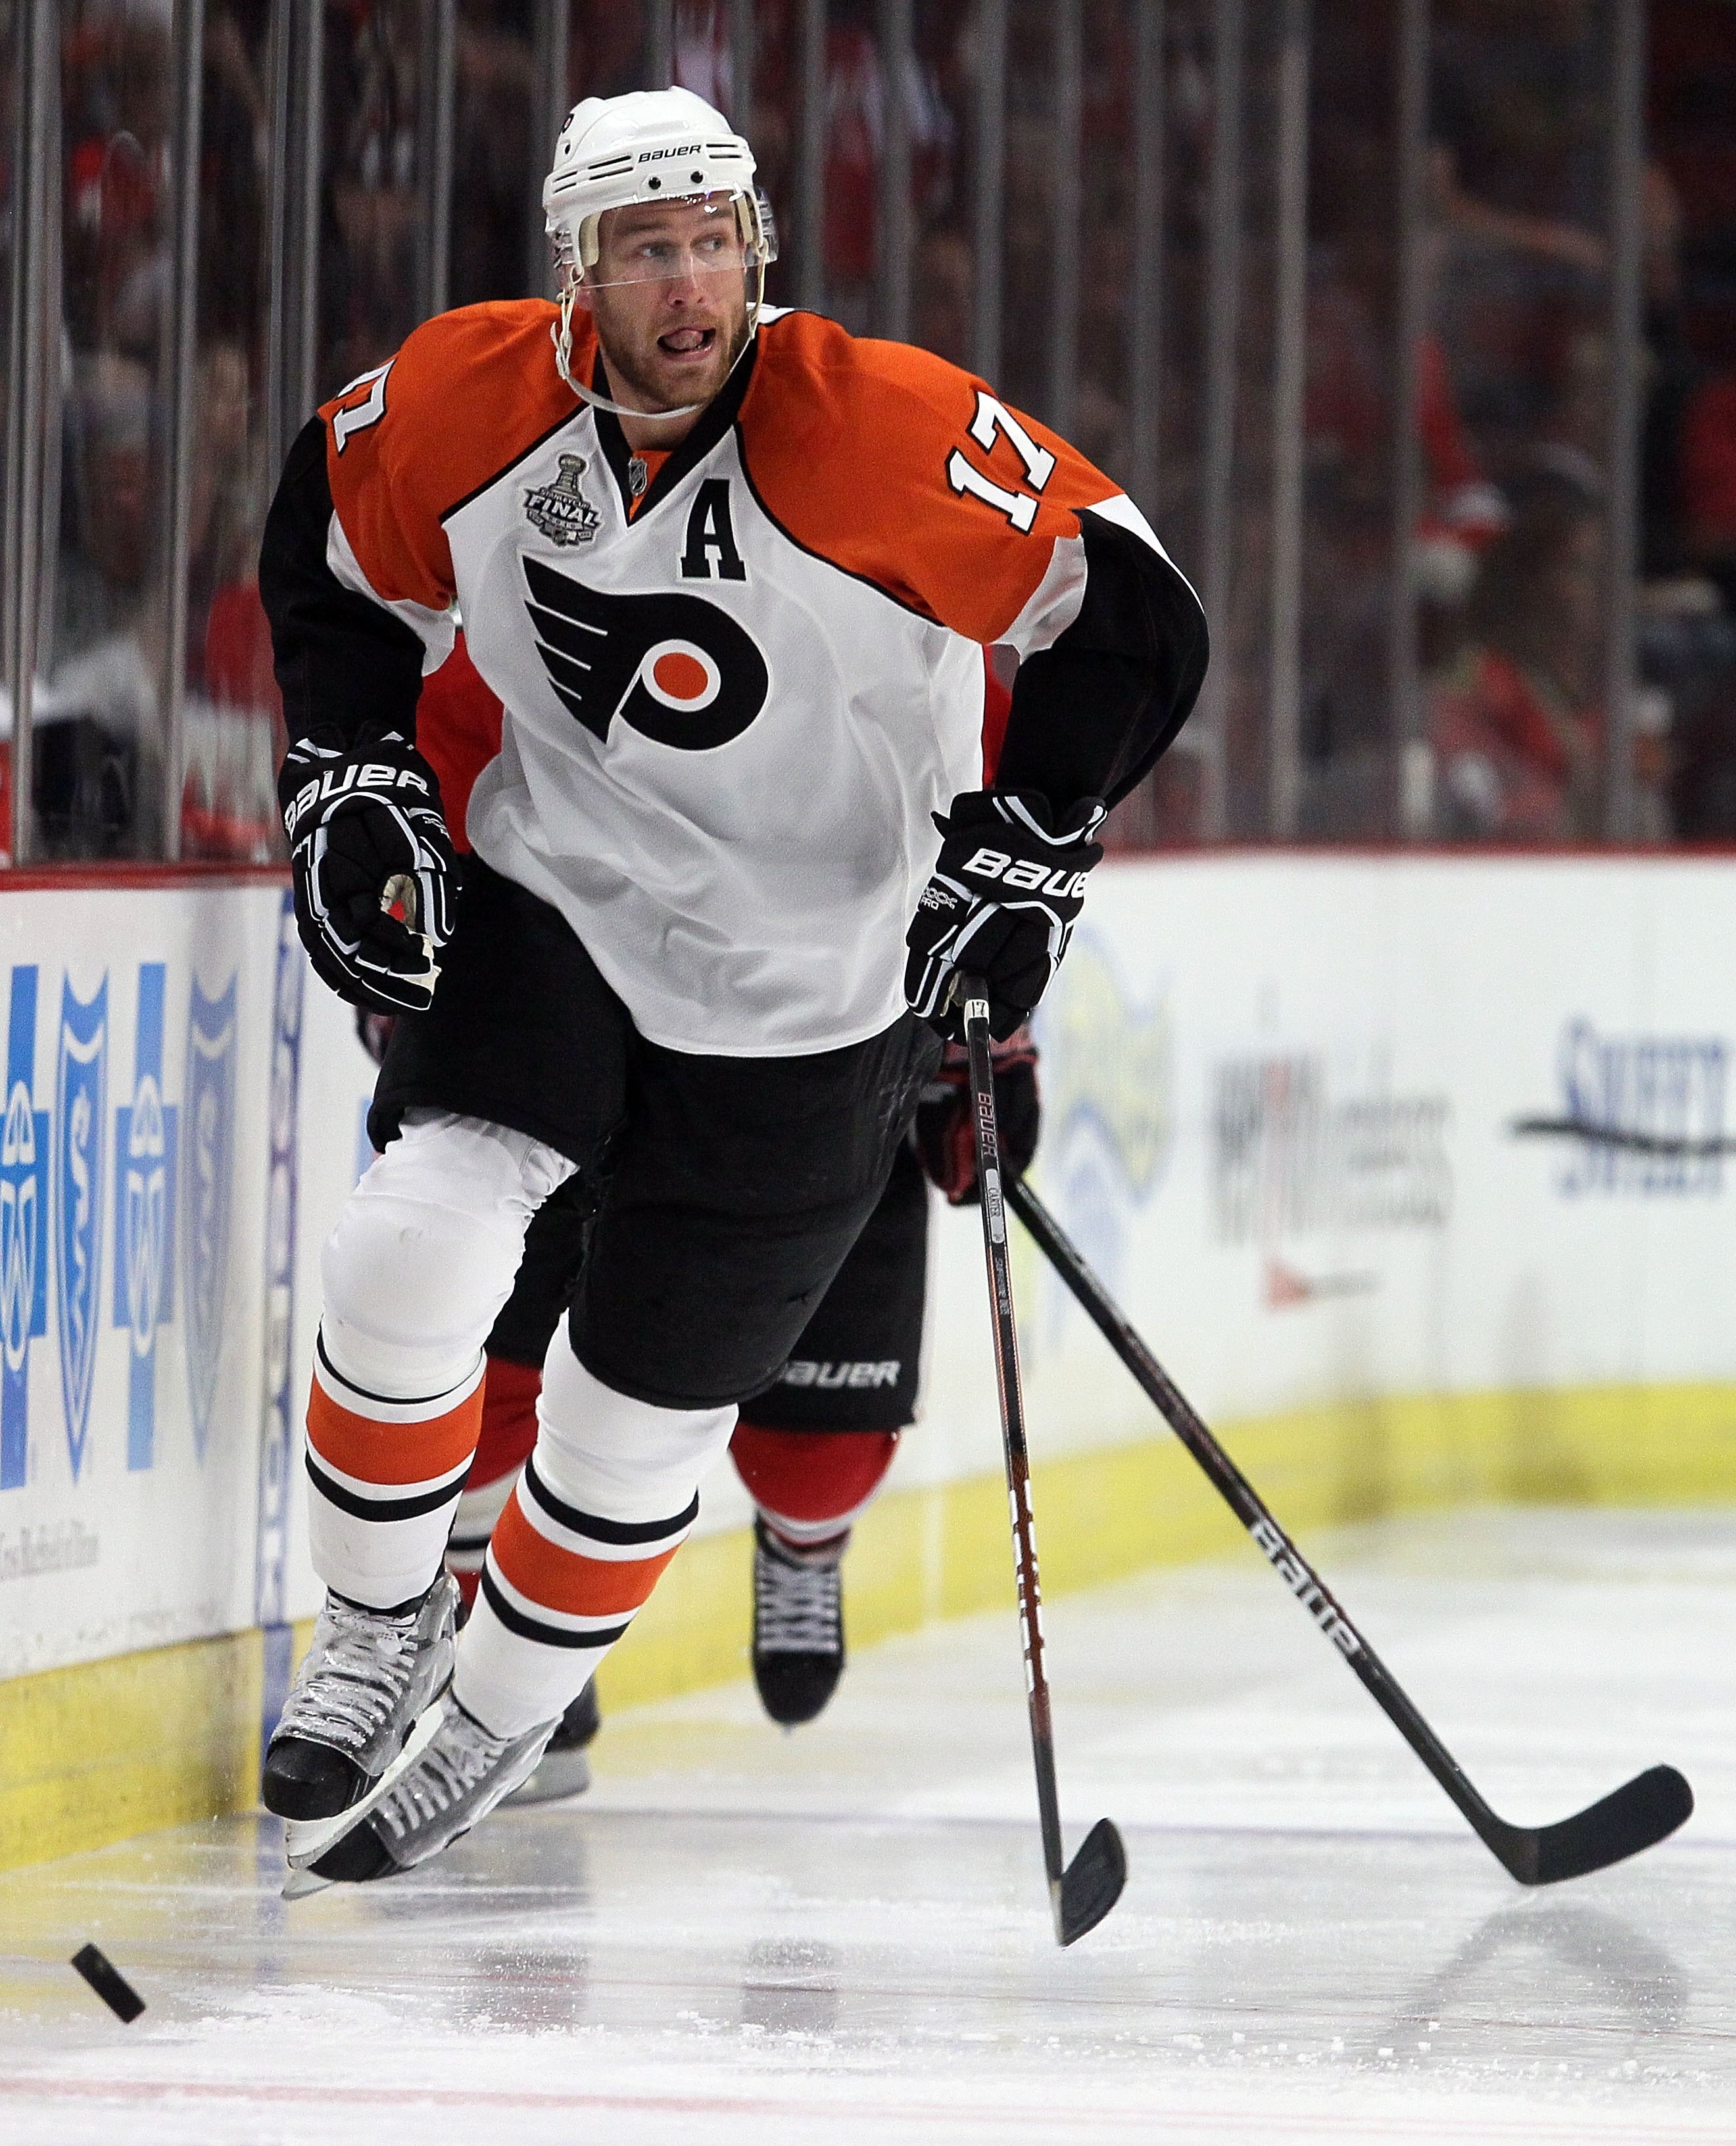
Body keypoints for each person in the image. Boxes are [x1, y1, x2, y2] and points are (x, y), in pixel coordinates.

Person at [258, 84, 1206, 1887]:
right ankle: (375, 1632)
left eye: (714, 241)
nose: (688, 283)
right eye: (646, 248)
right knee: (417, 1236)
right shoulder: (471, 400)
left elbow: (1132, 603)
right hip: (559, 890)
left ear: (757, 250)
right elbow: (332, 546)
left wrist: (1033, 838)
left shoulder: (878, 425)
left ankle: (502, 1714)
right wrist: (348, 758)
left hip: (819, 973)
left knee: (640, 1417)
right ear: (578, 271)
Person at [369, 643, 1042, 1803]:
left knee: (816, 1460)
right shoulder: (554, 560)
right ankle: (500, 1640)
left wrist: (985, 1039)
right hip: (586, 990)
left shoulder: (887, 582)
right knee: (496, 1358)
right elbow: (447, 727)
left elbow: (995, 800)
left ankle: (804, 1539)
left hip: (826, 1020)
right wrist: (420, 936)